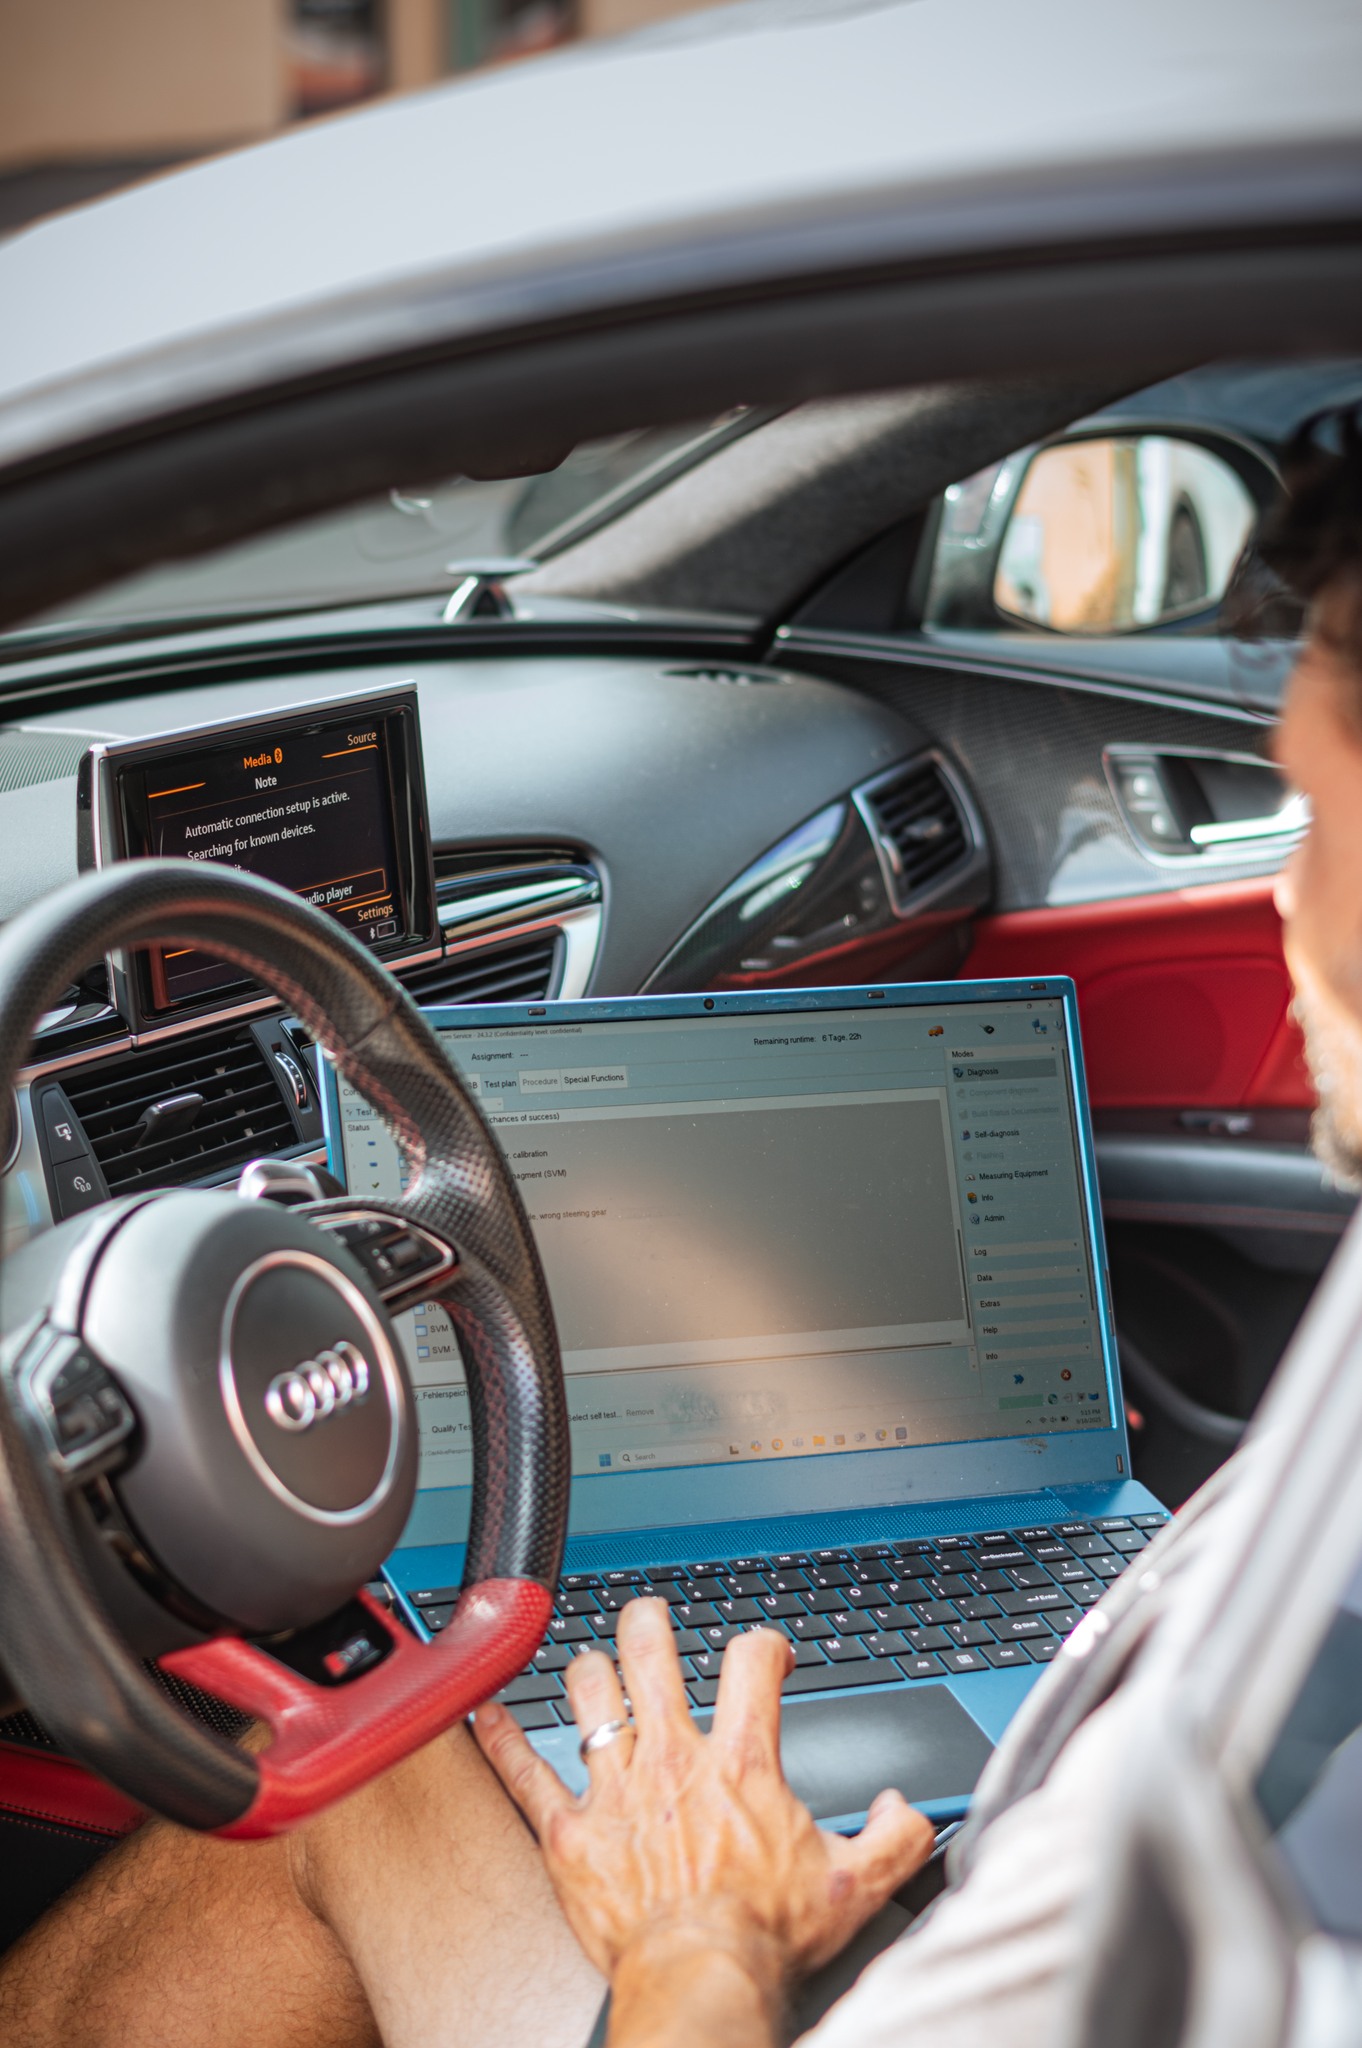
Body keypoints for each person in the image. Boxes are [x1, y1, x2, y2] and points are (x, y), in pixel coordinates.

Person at [2, 406, 1360, 2048]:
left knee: (364, 1749)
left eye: (1318, 820)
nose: (1288, 893)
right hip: (1050, 1850)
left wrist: (703, 1942)